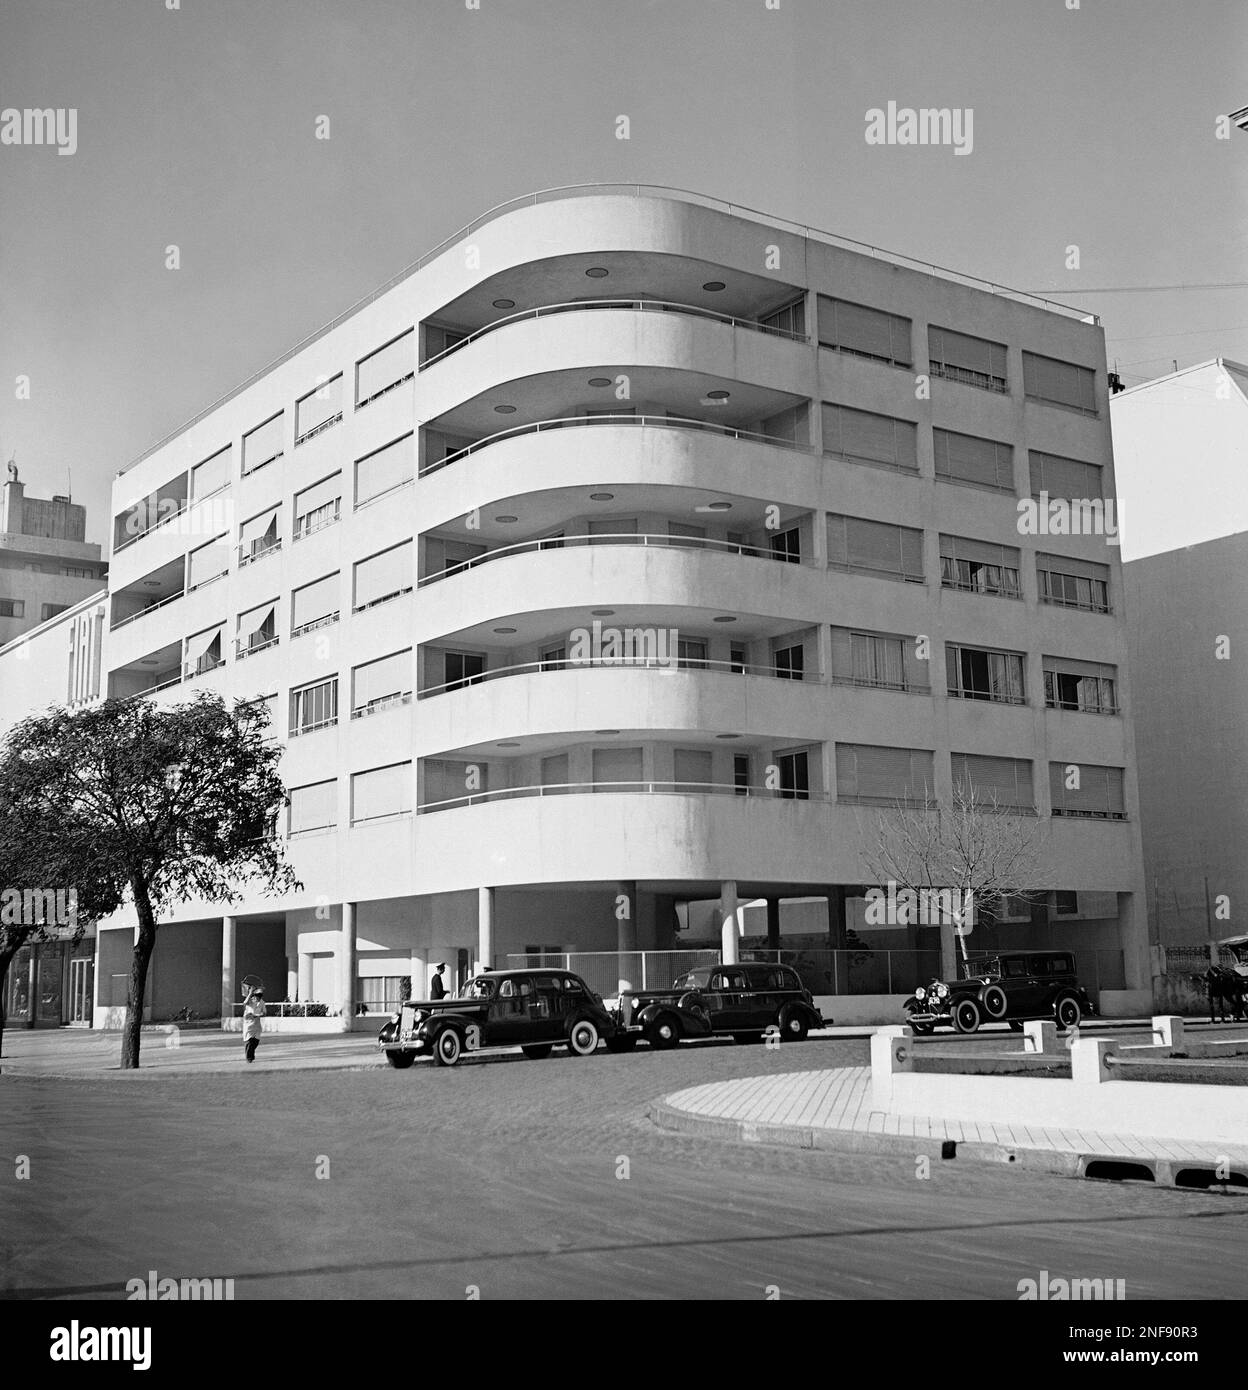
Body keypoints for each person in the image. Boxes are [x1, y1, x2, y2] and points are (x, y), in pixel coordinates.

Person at [242, 987, 264, 1063]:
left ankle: (251, 1055)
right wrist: (250, 993)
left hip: (257, 1025)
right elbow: (244, 1003)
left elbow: (264, 1013)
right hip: (248, 1025)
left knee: (256, 1041)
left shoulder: (262, 1002)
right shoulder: (250, 1001)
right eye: (257, 996)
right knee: (249, 1041)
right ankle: (249, 1058)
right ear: (253, 996)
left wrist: (257, 1015)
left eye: (260, 996)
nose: (258, 998)